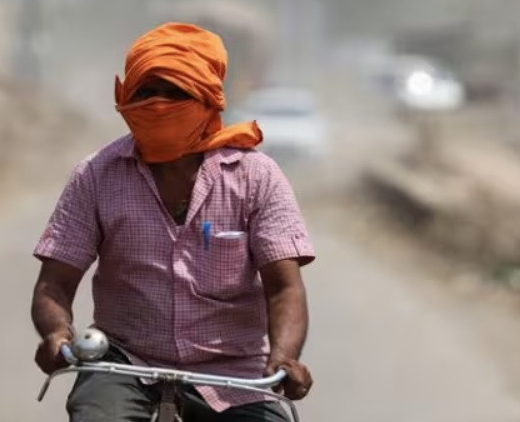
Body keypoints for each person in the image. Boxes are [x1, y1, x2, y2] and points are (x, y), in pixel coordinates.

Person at [30, 22, 315, 422]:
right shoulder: (96, 175)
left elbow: (284, 288)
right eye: (145, 92)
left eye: (175, 93)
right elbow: (54, 283)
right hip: (124, 363)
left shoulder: (257, 177)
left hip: (234, 374)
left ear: (208, 100)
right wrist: (56, 334)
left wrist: (285, 357)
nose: (159, 105)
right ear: (126, 98)